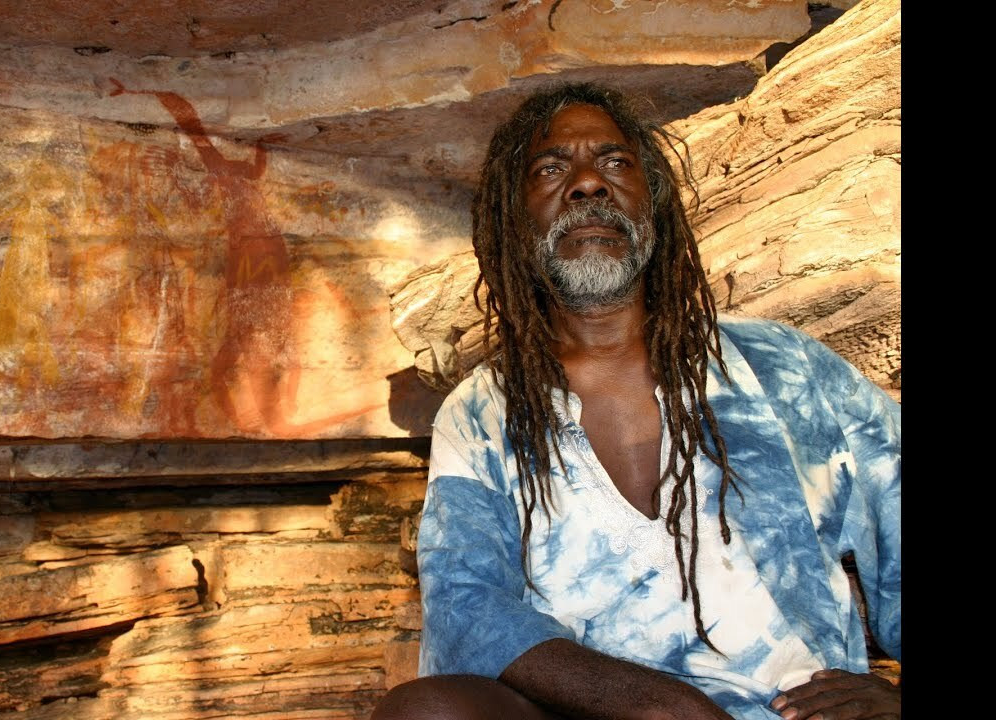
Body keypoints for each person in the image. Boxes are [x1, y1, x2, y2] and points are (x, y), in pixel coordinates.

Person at [370, 82, 900, 720]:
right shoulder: (484, 413)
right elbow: (467, 606)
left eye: (615, 163)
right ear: (517, 217)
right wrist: (661, 706)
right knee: (428, 711)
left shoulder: (782, 365)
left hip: (793, 710)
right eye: (550, 168)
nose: (588, 183)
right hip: (604, 714)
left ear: (655, 206)